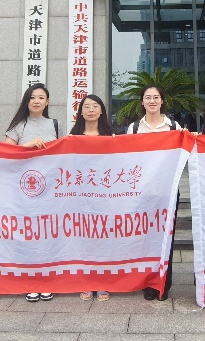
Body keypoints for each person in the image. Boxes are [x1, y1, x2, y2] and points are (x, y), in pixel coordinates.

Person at [126, 85, 181, 301]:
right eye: (148, 97)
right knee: (145, 237)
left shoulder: (174, 127)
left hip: (167, 190)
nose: (152, 101)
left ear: (162, 101)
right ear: (142, 102)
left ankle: (163, 283)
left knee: (166, 237)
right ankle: (147, 282)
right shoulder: (134, 128)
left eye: (156, 97)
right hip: (143, 192)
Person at [5, 83, 58, 302]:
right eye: (32, 97)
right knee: (27, 234)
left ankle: (46, 280)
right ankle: (29, 281)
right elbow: (5, 154)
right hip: (23, 189)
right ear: (26, 101)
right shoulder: (18, 126)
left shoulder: (54, 124)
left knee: (46, 233)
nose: (36, 101)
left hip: (49, 189)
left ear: (47, 102)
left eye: (41, 97)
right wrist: (27, 147)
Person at [71, 94, 115, 302]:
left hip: (104, 196)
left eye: (95, 106)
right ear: (80, 112)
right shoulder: (72, 138)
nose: (91, 110)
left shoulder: (111, 137)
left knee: (104, 238)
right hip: (80, 197)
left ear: (101, 111)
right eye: (86, 106)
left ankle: (103, 281)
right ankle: (86, 281)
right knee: (84, 239)